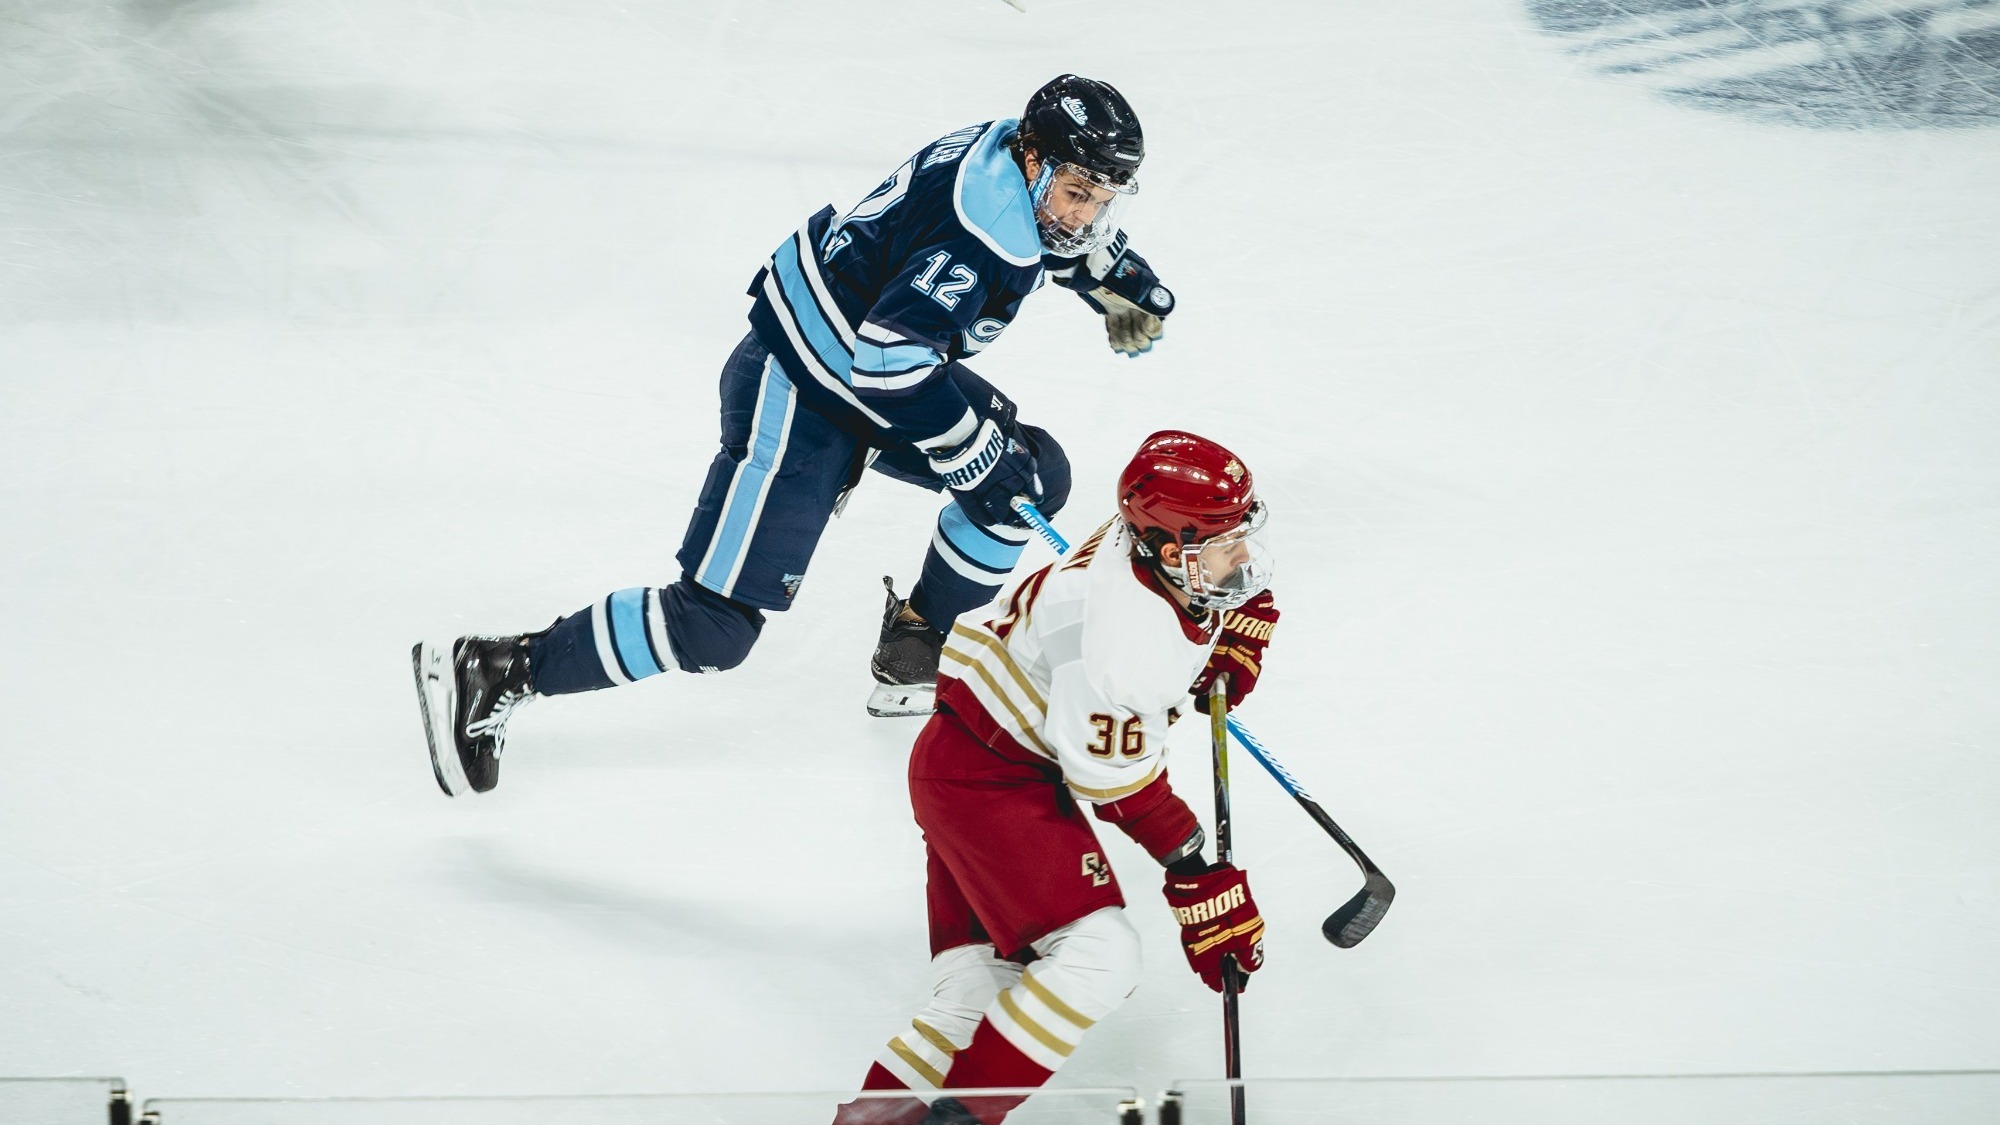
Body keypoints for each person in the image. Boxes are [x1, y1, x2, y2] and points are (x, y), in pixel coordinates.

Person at [411, 75, 1181, 795]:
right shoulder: (980, 228)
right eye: (1078, 192)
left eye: (1102, 199)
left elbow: (1051, 243)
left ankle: (917, 649)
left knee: (1029, 478)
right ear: (1034, 159)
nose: (1084, 215)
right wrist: (970, 451)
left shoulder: (1009, 151)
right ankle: (498, 669)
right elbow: (892, 359)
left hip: (861, 371)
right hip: (803, 386)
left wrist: (1120, 284)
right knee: (714, 626)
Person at [834, 431, 1282, 1125]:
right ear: (1171, 552)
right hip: (989, 783)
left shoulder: (1142, 543)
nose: (1243, 557)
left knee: (978, 994)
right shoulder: (1121, 645)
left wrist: (1223, 617)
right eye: (1228, 546)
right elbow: (1119, 786)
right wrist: (1195, 872)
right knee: (1104, 955)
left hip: (962, 759)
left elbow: (1189, 593)